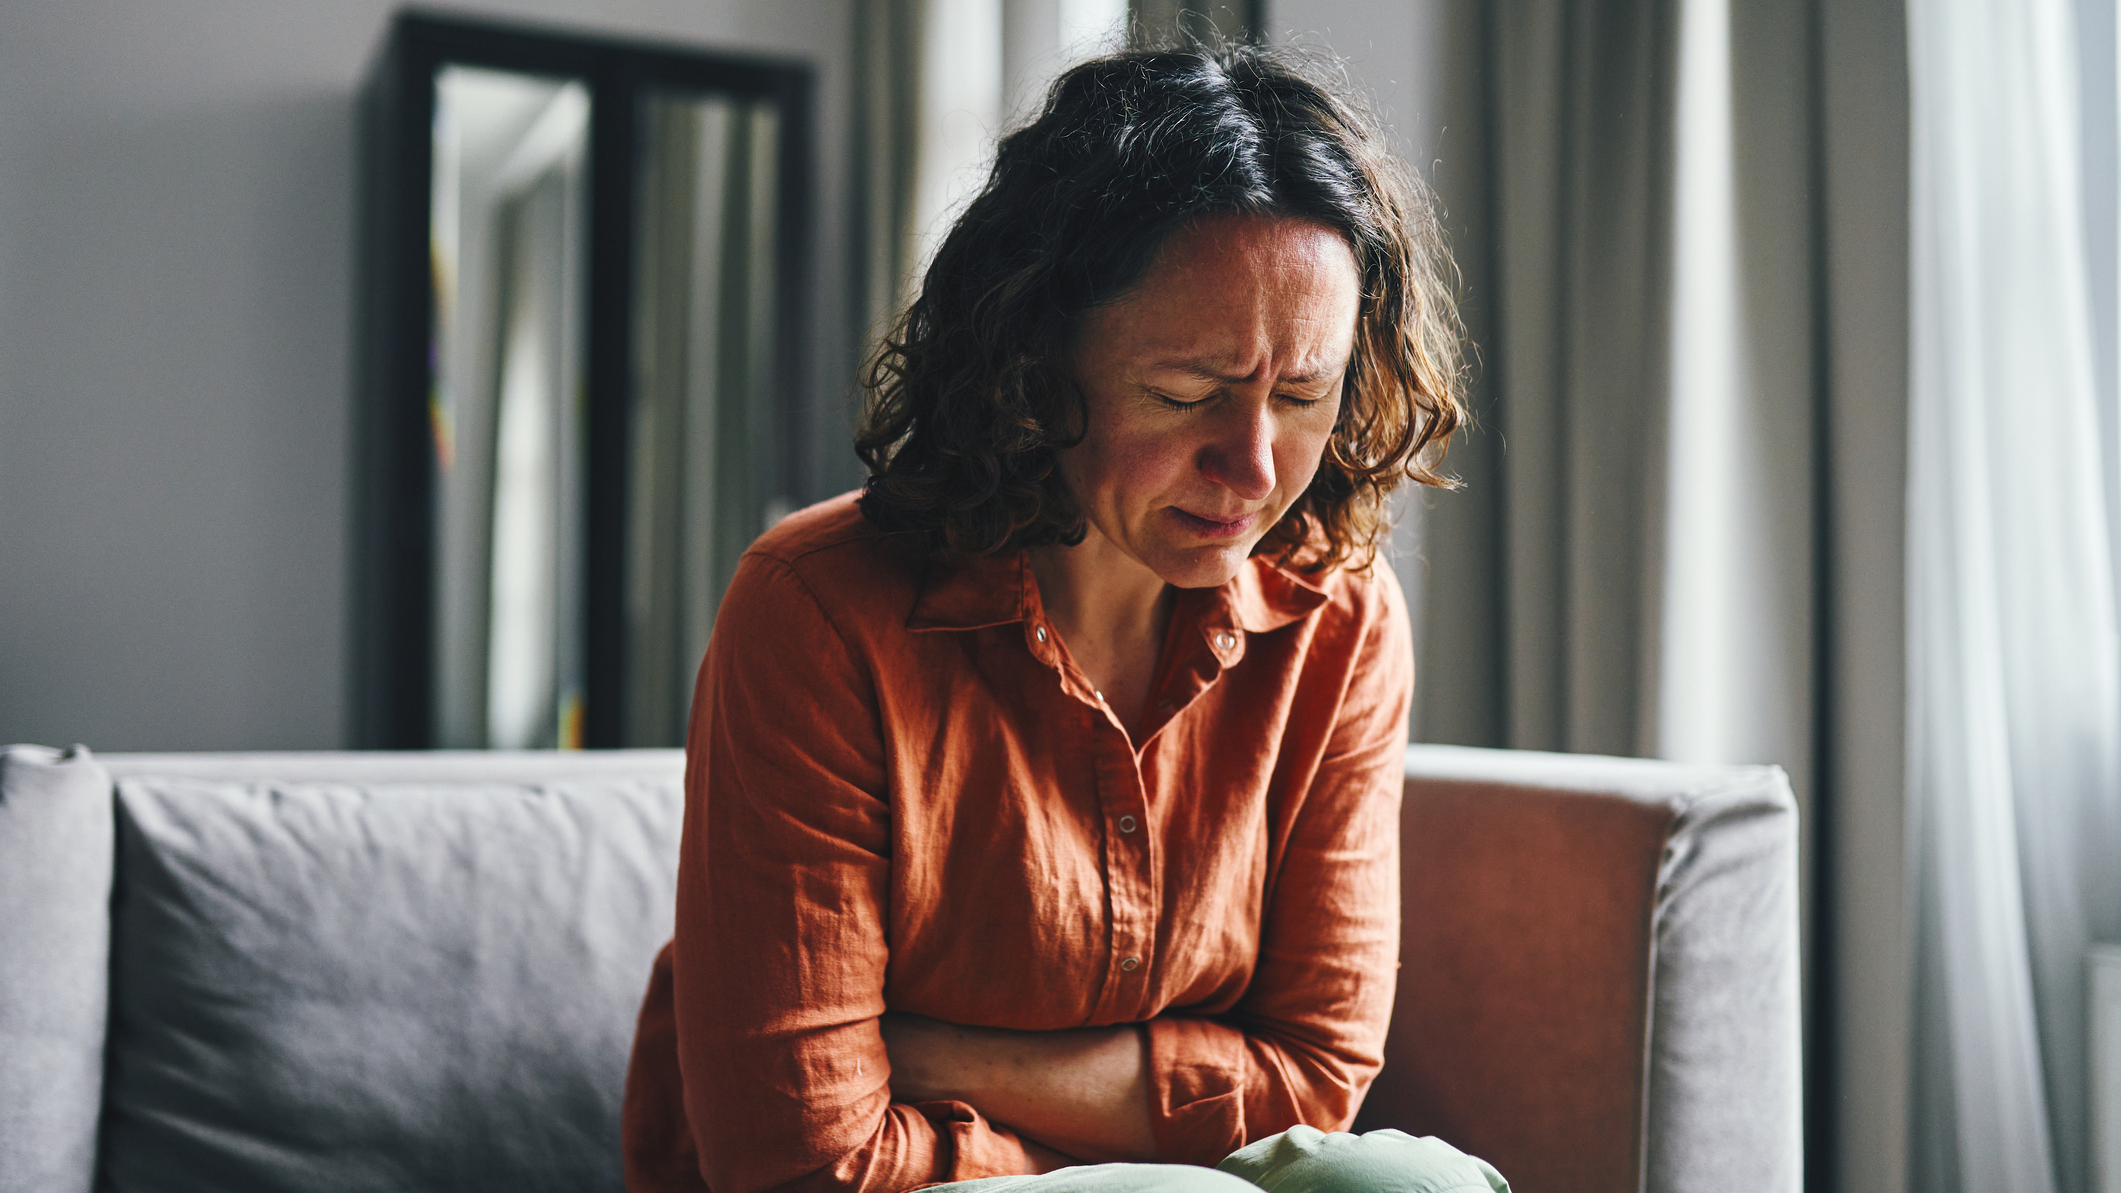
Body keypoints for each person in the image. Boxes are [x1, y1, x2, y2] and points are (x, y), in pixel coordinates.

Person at [620, 40, 1505, 1193]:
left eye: (1303, 395)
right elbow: (806, 1160)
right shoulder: (818, 613)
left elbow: (1315, 1075)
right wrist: (1136, 1145)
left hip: (1042, 1154)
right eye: (1186, 393)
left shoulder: (1339, 618)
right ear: (1034, 366)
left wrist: (934, 1057)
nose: (1252, 464)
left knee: (1411, 1184)